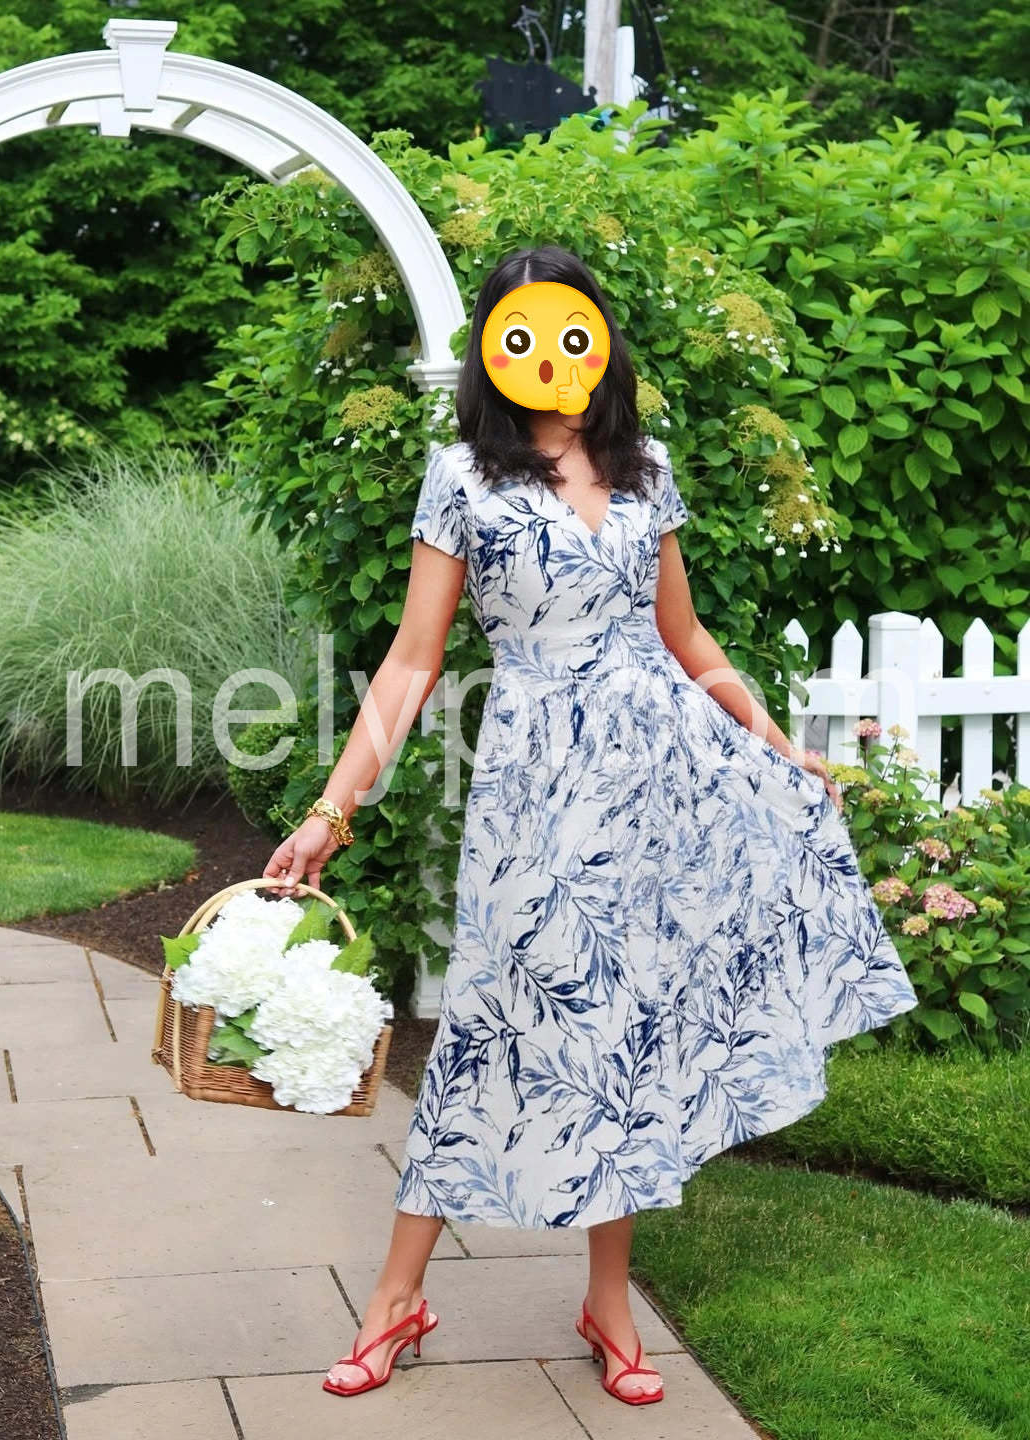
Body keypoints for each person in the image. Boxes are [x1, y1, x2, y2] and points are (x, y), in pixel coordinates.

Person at [263, 244, 920, 1404]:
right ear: (493, 348)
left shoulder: (641, 468)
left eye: (571, 332)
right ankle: (395, 1298)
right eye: (522, 334)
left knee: (629, 1032)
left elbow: (687, 636)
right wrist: (331, 809)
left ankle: (609, 1307)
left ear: (598, 340)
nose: (550, 355)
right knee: (487, 1022)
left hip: (663, 776)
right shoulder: (463, 477)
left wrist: (775, 745)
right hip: (537, 791)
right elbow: (412, 661)